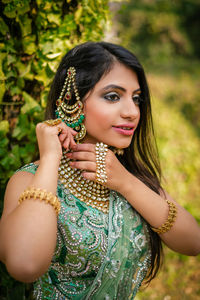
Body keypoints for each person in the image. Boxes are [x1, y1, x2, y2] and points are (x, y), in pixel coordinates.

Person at [0, 41, 200, 300]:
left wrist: (126, 183)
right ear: (72, 100)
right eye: (113, 96)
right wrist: (51, 158)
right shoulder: (30, 179)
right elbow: (24, 265)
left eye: (136, 98)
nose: (132, 112)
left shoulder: (126, 176)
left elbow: (192, 242)